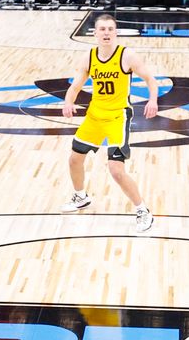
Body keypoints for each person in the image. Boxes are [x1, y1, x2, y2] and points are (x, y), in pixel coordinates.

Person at [60, 15, 158, 232]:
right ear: (94, 33)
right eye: (102, 29)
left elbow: (151, 79)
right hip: (95, 115)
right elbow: (75, 86)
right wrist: (68, 102)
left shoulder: (127, 56)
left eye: (110, 29)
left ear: (116, 32)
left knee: (116, 170)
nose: (106, 33)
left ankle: (143, 210)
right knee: (74, 159)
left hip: (117, 116)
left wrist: (153, 100)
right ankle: (80, 197)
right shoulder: (89, 57)